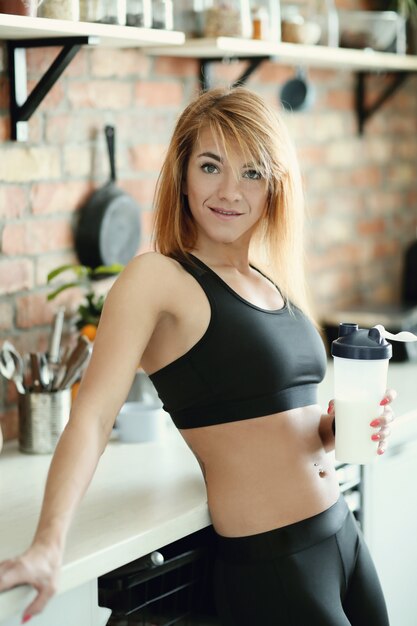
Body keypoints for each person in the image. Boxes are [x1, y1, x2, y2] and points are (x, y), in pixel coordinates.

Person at [0, 87, 395, 626]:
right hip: (275, 564)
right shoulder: (158, 279)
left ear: (273, 187)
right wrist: (48, 544)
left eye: (251, 173)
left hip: (342, 537)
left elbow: (277, 419)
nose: (229, 191)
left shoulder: (266, 279)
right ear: (183, 175)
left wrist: (333, 428)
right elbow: (91, 416)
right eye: (211, 166)